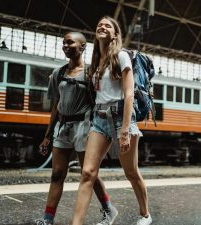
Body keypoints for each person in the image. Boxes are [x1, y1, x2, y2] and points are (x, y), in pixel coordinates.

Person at [71, 16, 152, 225]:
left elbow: (129, 94)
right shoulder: (97, 62)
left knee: (131, 172)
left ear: (115, 34)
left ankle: (145, 215)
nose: (102, 26)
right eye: (100, 24)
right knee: (88, 172)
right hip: (99, 120)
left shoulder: (122, 56)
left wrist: (125, 130)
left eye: (108, 25)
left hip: (120, 118)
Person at [35, 32, 118, 225]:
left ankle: (108, 209)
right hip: (63, 127)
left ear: (82, 47)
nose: (65, 46)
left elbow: (101, 100)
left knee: (87, 173)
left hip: (85, 126)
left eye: (70, 43)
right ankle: (47, 219)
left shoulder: (91, 73)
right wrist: (47, 135)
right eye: (63, 43)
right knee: (57, 174)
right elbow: (56, 104)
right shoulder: (58, 73)